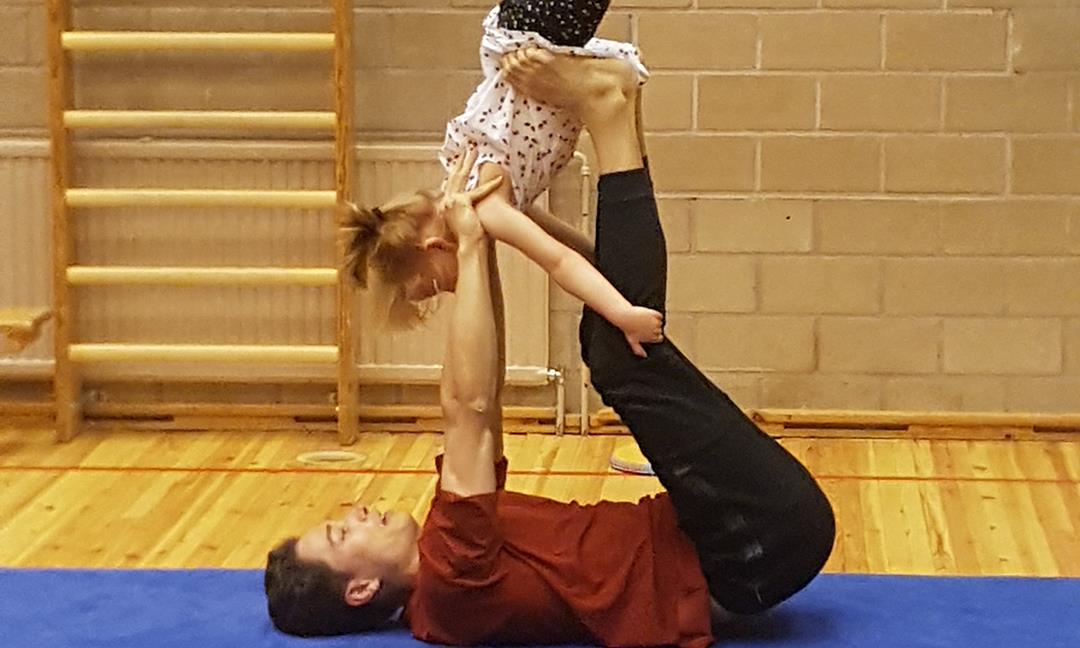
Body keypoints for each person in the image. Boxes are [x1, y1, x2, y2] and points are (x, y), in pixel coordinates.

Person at [265, 51, 836, 645]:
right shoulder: (450, 585)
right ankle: (611, 116)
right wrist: (468, 249)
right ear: (360, 589)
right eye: (342, 534)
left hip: (720, 527)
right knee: (618, 358)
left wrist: (476, 253)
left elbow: (484, 395)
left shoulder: (448, 545)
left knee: (607, 341)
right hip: (750, 549)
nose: (356, 512)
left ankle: (618, 115)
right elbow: (467, 409)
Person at [342, 0, 663, 357]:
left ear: (433, 247)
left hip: (536, 30)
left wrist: (622, 315)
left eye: (436, 285)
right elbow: (569, 244)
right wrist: (610, 274)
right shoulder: (481, 193)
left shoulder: (487, 208)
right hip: (536, 32)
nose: (452, 290)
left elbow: (558, 261)